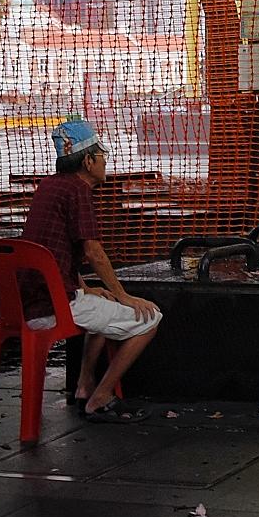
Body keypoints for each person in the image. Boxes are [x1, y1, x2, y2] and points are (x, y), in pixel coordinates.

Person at [21, 119, 162, 423]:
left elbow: (54, 252)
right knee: (150, 319)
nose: (105, 163)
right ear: (87, 160)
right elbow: (92, 251)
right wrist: (125, 296)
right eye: (102, 156)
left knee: (104, 302)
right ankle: (101, 397)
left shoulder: (49, 186)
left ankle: (84, 385)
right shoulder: (78, 190)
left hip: (32, 300)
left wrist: (84, 287)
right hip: (53, 306)